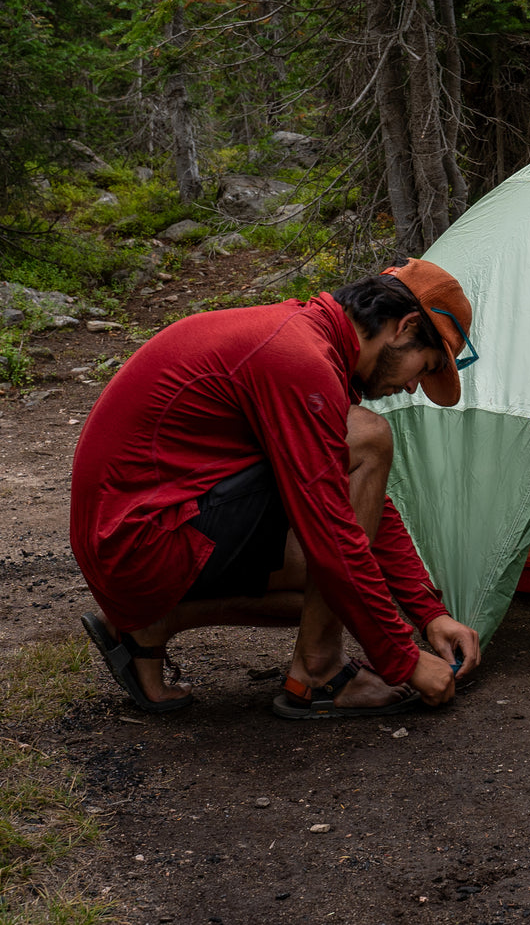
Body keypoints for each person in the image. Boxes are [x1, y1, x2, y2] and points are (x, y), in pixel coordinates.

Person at [70, 259, 481, 719]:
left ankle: (147, 627)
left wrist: (429, 613)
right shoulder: (297, 358)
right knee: (366, 439)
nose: (411, 387)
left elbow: (364, 507)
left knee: (321, 595)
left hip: (134, 539)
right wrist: (404, 660)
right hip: (140, 541)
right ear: (403, 327)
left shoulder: (306, 342)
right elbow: (333, 529)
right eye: (421, 369)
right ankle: (320, 673)